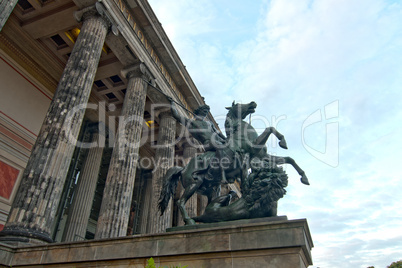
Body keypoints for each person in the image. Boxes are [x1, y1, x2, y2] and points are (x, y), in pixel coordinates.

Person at [167, 97, 228, 182]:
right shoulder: (192, 123)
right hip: (208, 143)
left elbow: (218, 133)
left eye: (206, 112)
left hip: (217, 141)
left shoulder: (209, 123)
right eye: (204, 111)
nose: (205, 113)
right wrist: (172, 103)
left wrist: (226, 139)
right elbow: (176, 115)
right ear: (199, 111)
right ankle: (223, 174)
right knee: (220, 146)